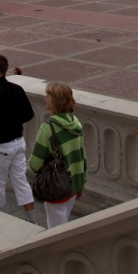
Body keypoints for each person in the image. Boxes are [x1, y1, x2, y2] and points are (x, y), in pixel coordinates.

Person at [29, 82, 87, 229]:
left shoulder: (47, 129)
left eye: (48, 97)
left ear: (56, 101)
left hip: (57, 185)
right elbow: (82, 156)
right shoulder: (76, 124)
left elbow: (34, 163)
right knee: (64, 220)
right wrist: (80, 183)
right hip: (74, 183)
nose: (45, 99)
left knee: (56, 229)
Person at [0, 55, 35, 217]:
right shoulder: (17, 89)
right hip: (18, 142)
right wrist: (15, 122)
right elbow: (29, 114)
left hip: (1, 146)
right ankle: (31, 219)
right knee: (21, 181)